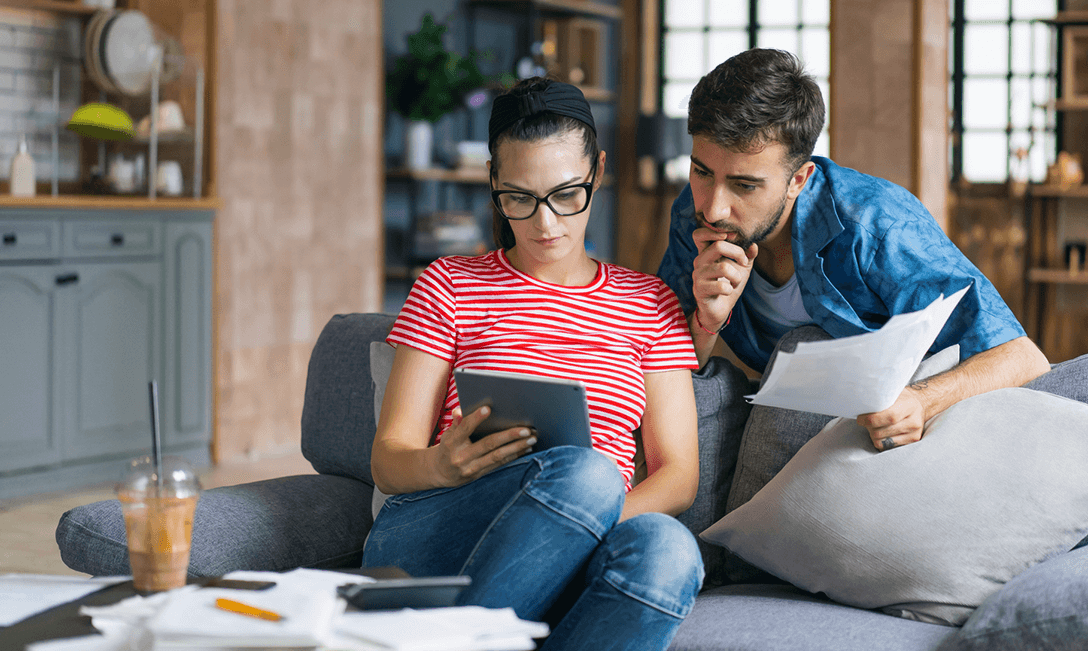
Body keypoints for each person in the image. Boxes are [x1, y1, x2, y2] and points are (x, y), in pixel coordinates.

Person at [363, 78, 704, 651]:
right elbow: (388, 460)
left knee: (669, 550)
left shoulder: (650, 302)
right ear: (495, 182)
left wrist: (582, 520)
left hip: (586, 537)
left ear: (597, 171)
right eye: (519, 197)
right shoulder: (449, 284)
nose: (545, 224)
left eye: (566, 194)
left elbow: (678, 477)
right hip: (440, 528)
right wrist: (443, 466)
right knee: (591, 471)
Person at [656, 48, 1051, 453]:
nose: (714, 207)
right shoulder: (693, 213)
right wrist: (706, 322)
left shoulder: (876, 224)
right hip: (792, 405)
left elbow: (1022, 358)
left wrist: (922, 400)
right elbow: (662, 359)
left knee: (807, 344)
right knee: (693, 392)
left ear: (799, 180)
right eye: (702, 171)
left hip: (904, 415)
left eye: (745, 185)